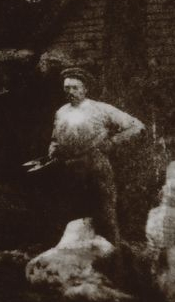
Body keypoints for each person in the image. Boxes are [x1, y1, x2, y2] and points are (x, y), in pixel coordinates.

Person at [46, 67, 145, 246]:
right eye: (67, 88)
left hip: (96, 166)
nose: (70, 92)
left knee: (105, 214)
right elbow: (55, 138)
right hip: (70, 168)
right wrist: (53, 148)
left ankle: (116, 257)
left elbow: (137, 126)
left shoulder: (100, 109)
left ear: (85, 89)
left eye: (75, 88)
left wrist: (113, 142)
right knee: (72, 216)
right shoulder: (61, 112)